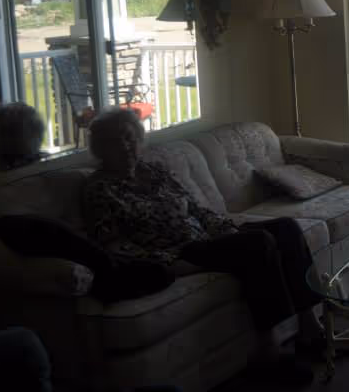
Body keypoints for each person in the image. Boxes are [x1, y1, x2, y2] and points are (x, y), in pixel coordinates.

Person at [80, 109, 327, 369]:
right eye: (114, 142)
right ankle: (268, 349)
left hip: (206, 237)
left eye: (129, 138)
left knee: (286, 228)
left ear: (139, 139)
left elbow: (196, 209)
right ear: (100, 150)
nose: (124, 146)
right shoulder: (100, 190)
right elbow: (114, 246)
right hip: (180, 253)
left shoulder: (154, 171)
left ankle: (309, 326)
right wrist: (172, 262)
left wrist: (227, 228)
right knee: (259, 244)